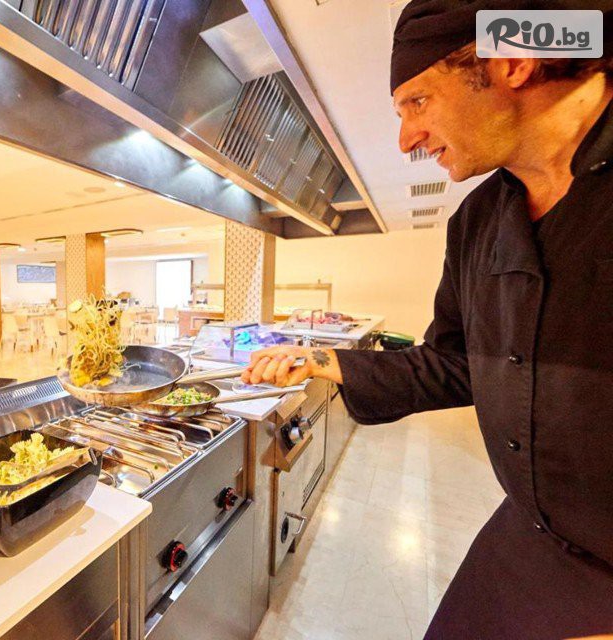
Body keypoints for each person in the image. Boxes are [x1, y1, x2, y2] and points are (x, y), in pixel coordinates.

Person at [242, 1, 613, 638]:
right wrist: (319, 359)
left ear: (512, 61)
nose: (407, 139)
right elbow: (455, 362)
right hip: (532, 531)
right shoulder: (478, 221)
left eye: (417, 101)